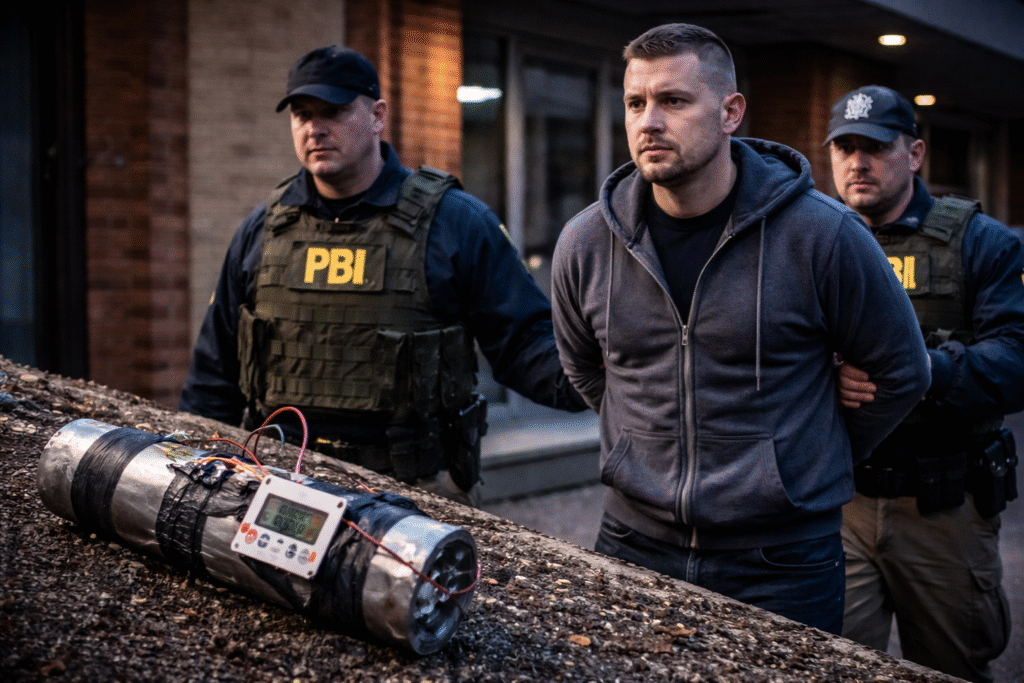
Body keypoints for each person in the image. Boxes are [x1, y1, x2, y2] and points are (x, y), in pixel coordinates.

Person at [550, 23, 931, 635]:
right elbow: (587, 369)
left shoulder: (823, 236)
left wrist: (796, 458)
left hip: (782, 560)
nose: (648, 122)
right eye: (635, 103)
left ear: (730, 112)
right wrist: (644, 443)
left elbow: (903, 371)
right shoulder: (586, 241)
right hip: (632, 541)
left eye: (674, 101)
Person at [180, 45, 586, 505]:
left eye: (333, 111)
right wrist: (201, 477)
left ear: (377, 115)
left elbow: (524, 343)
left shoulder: (454, 222)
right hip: (280, 483)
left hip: (415, 491)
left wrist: (612, 383)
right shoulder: (263, 230)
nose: (315, 128)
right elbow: (213, 377)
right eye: (301, 113)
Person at [826, 84, 1024, 683]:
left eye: (875, 148)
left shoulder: (980, 242)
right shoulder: (813, 236)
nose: (857, 163)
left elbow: (1015, 361)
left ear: (914, 155)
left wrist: (919, 367)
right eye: (844, 148)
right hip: (841, 503)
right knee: (829, 662)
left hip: (943, 507)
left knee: (950, 667)